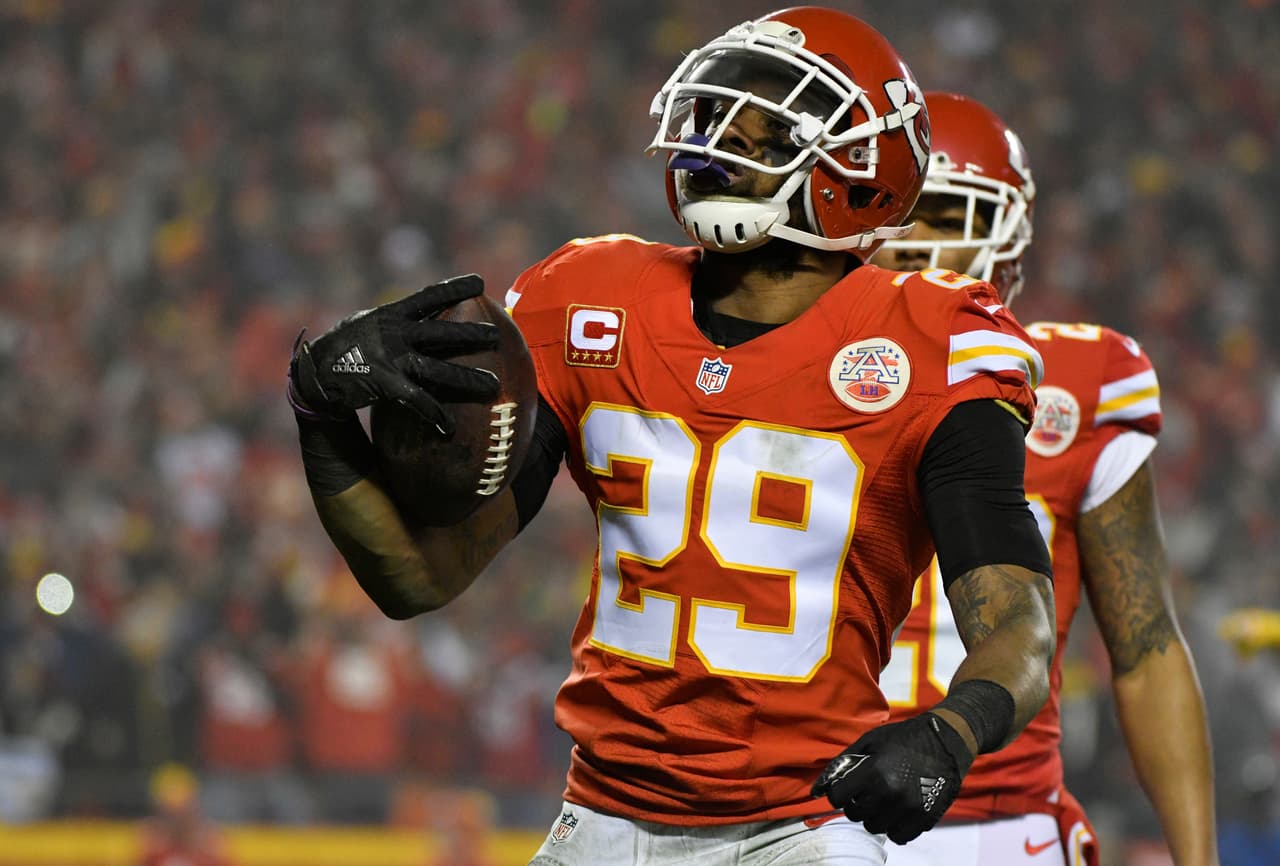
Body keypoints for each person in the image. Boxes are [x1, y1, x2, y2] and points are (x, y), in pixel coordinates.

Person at [286, 8, 1056, 864]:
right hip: (602, 819)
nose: (717, 142)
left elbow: (1019, 625)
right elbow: (420, 579)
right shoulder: (588, 297)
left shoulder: (934, 338)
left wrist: (950, 733)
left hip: (803, 824)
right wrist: (321, 420)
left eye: (764, 133)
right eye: (718, 117)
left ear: (858, 170)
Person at [875, 92, 1218, 866]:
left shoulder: (1078, 384)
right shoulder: (788, 363)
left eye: (943, 216)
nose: (909, 243)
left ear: (1008, 238)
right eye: (895, 213)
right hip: (798, 812)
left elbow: (1145, 647)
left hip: (997, 824)